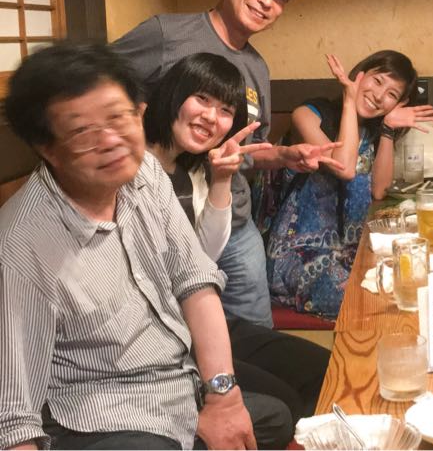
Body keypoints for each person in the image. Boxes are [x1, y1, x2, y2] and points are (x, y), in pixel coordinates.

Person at [0, 44, 255, 450]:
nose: (111, 141)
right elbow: (13, 417)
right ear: (48, 148)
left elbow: (194, 280)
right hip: (101, 419)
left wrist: (223, 397)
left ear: (140, 112)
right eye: (82, 132)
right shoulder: (20, 247)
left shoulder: (145, 172)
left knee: (286, 405)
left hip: (176, 376)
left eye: (118, 117)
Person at [112, 0, 339, 328]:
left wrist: (284, 156)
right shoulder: (168, 34)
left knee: (256, 335)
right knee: (177, 335)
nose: (267, 1)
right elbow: (100, 86)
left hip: (232, 221)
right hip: (160, 223)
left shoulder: (257, 68)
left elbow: (245, 151)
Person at [143, 52, 332, 435]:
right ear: (173, 95)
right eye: (201, 99)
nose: (211, 117)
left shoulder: (191, 169)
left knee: (324, 369)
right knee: (282, 405)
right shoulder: (132, 165)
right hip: (162, 338)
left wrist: (221, 179)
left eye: (225, 110)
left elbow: (205, 257)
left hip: (198, 321)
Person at [266, 51, 433, 319]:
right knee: (371, 299)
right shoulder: (308, 115)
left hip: (349, 252)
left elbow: (379, 190)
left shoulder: (371, 130)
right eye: (377, 81)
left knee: (410, 283)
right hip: (297, 256)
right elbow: (343, 168)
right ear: (360, 75)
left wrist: (388, 129)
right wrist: (348, 99)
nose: (379, 96)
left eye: (391, 94)